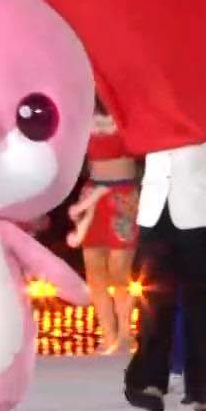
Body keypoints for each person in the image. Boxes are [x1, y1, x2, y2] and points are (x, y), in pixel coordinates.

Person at [123, 140, 206, 411]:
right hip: (156, 209)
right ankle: (151, 381)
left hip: (203, 208)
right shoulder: (153, 103)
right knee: (153, 300)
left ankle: (198, 389)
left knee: (200, 303)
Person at [68, 106, 138, 355]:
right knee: (95, 270)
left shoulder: (130, 116)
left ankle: (126, 334)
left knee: (120, 270)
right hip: (93, 197)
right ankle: (108, 335)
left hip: (123, 197)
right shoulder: (84, 117)